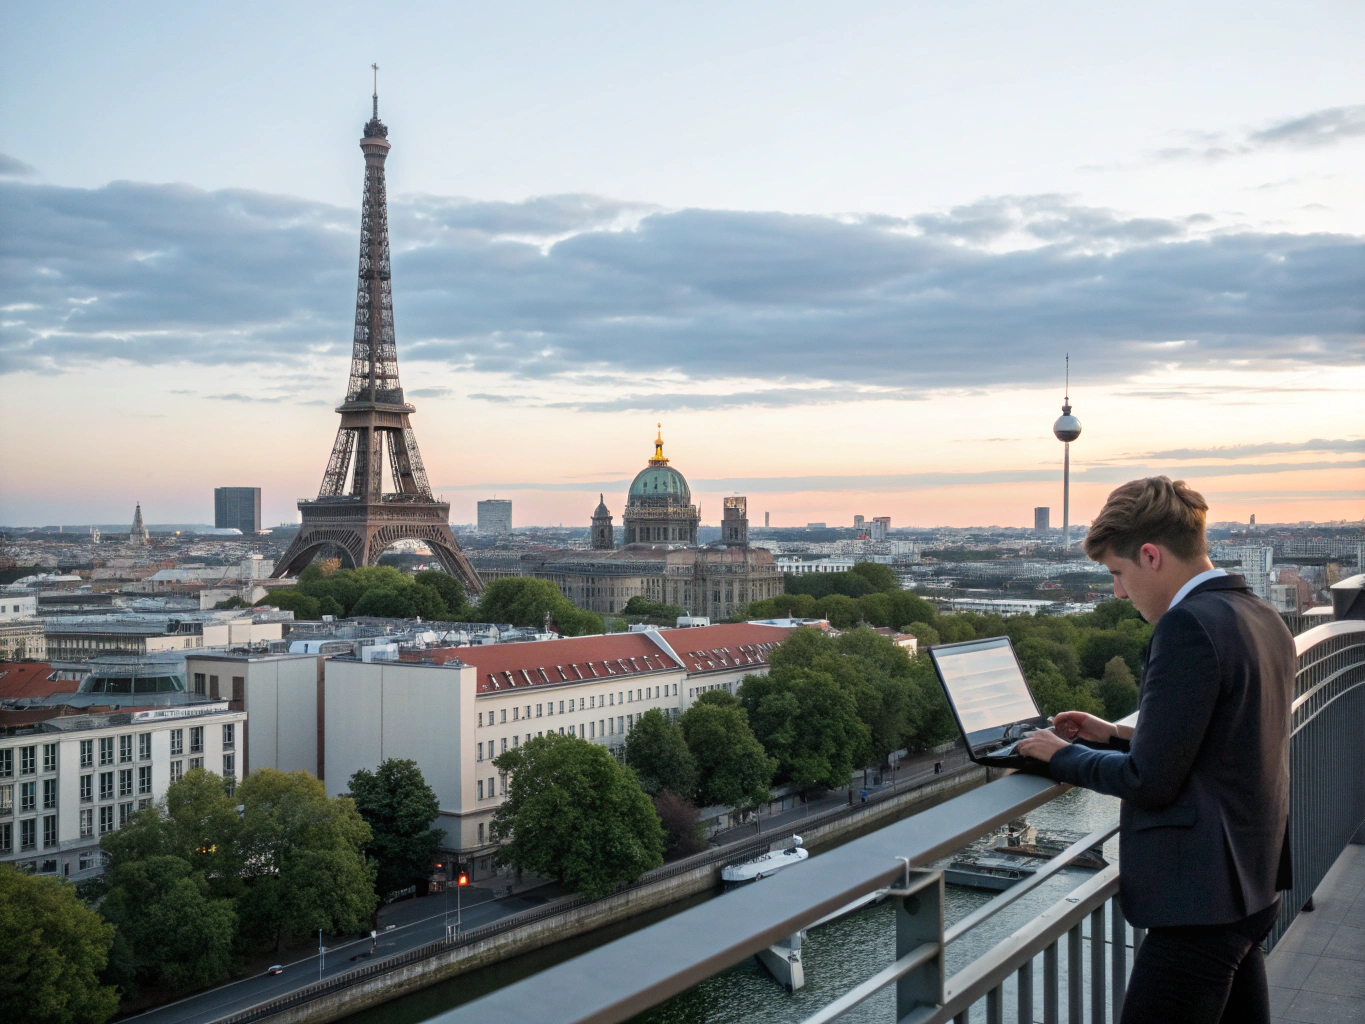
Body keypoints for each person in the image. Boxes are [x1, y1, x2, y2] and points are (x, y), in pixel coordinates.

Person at [1017, 477, 1293, 1024]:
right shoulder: (1258, 614)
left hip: (1200, 899)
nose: (1118, 593)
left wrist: (1057, 754)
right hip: (1254, 882)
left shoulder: (1186, 626)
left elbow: (1150, 781)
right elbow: (1226, 736)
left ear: (1151, 555)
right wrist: (1114, 733)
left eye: (1118, 573)